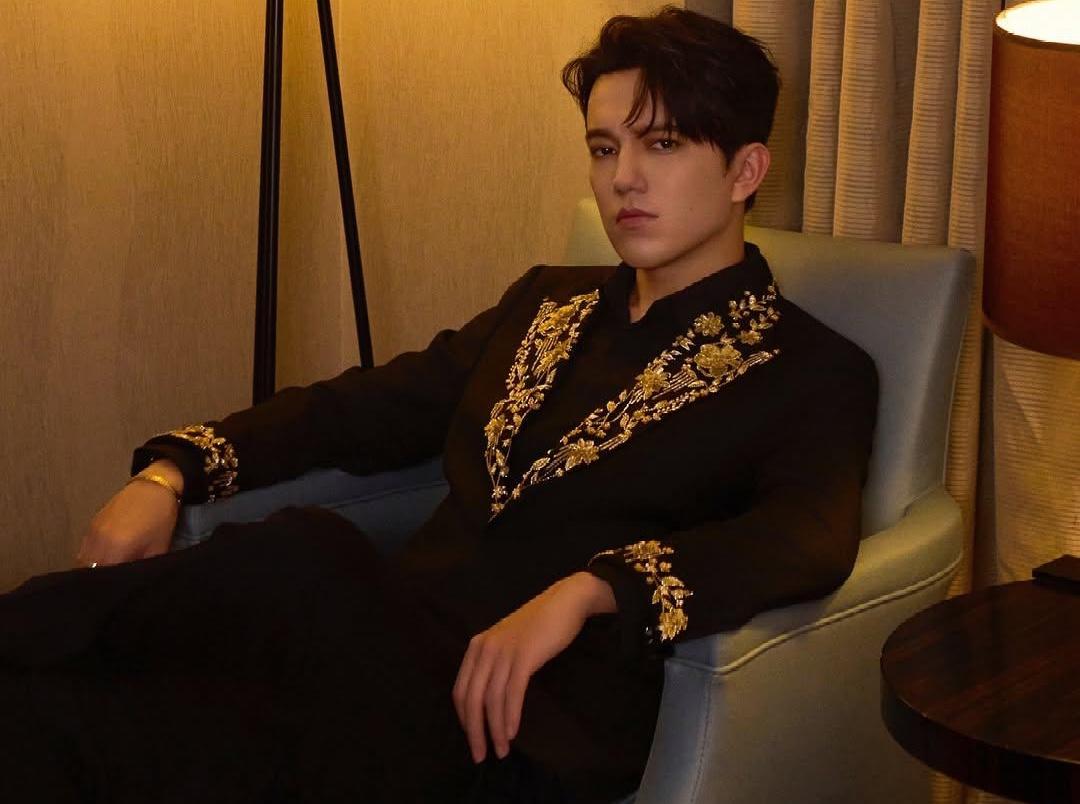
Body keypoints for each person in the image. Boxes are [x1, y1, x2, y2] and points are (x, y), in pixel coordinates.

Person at [0, 6, 878, 803]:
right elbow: (365, 408)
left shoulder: (810, 369)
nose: (624, 179)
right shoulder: (548, 302)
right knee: (59, 720)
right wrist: (172, 471)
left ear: (745, 169)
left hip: (530, 723)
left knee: (308, 554)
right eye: (605, 148)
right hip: (381, 661)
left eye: (663, 144)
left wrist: (592, 590)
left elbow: (803, 535)